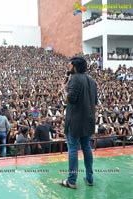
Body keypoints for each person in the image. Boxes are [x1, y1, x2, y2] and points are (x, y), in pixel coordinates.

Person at [59, 56, 97, 189]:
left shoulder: (74, 79)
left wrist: (64, 88)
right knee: (87, 147)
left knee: (73, 149)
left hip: (75, 121)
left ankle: (72, 180)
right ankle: (90, 178)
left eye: (69, 64)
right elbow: (95, 102)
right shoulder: (92, 81)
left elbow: (69, 99)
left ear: (74, 66)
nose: (68, 66)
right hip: (89, 120)